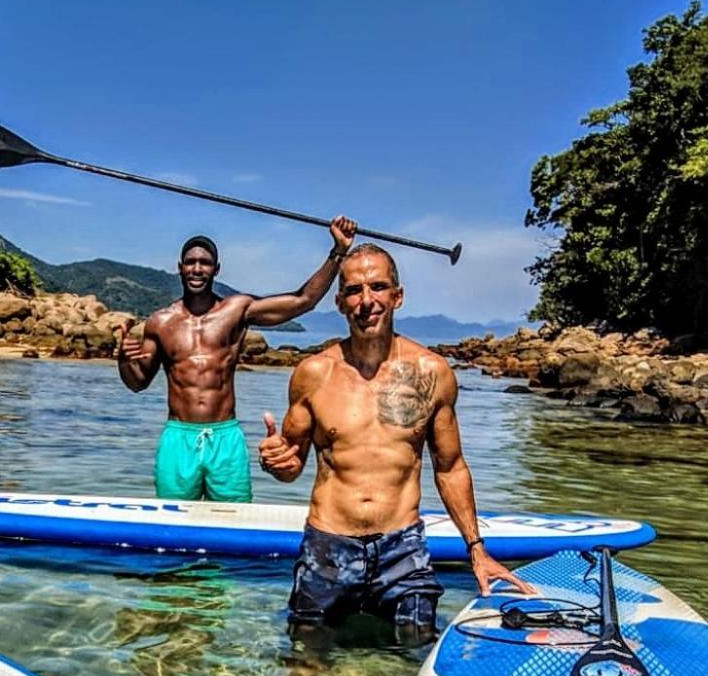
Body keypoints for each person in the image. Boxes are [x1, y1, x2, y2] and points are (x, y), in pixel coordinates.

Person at [258, 242, 531, 644]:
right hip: (327, 547)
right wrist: (277, 462)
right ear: (339, 302)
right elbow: (293, 466)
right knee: (304, 666)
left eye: (378, 287)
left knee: (416, 659)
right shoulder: (313, 373)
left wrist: (477, 549)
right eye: (354, 290)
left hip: (403, 551)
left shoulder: (432, 372)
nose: (366, 301)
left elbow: (450, 467)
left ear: (397, 296)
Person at [116, 216, 357, 503]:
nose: (197, 268)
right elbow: (137, 383)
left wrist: (338, 251)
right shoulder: (160, 322)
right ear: (179, 268)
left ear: (216, 269)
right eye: (190, 262)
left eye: (204, 263)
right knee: (173, 526)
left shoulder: (237, 310)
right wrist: (123, 359)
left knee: (234, 520)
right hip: (177, 439)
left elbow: (303, 300)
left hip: (225, 438)